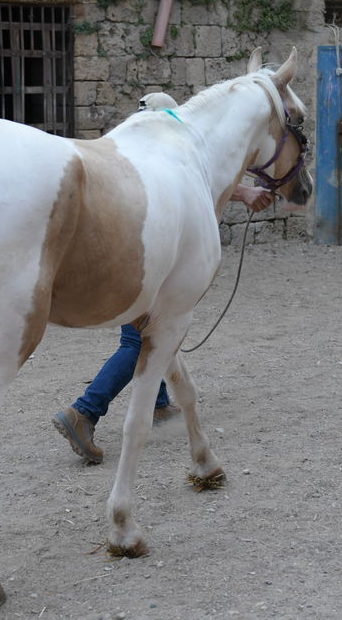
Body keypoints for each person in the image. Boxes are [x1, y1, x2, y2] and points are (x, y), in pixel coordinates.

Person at [52, 92, 275, 463]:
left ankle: (157, 404)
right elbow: (203, 177)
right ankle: (84, 411)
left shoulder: (127, 151)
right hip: (146, 261)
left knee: (153, 334)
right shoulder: (157, 156)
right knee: (139, 341)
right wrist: (247, 191)